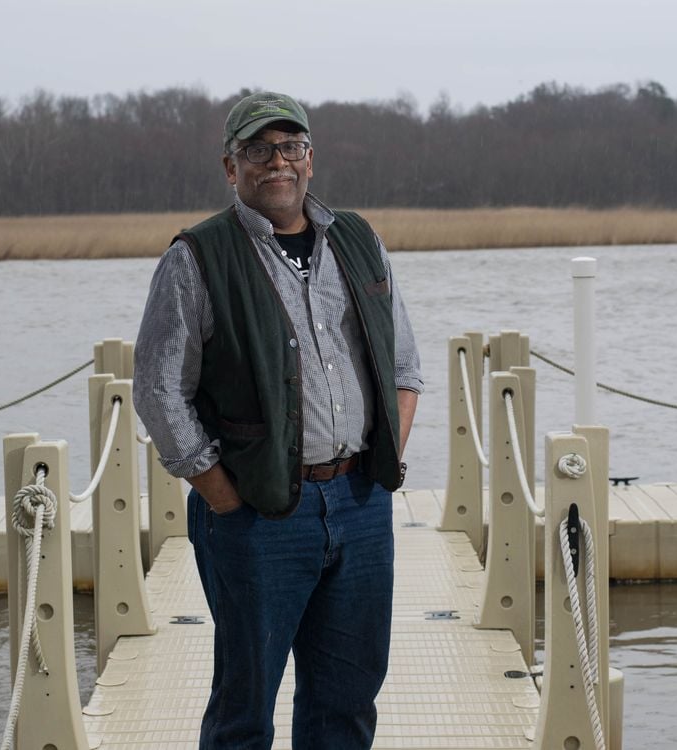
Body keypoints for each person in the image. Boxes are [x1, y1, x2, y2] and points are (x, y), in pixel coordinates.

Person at [133, 91, 423, 750]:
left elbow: (405, 367)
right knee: (244, 710)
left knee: (346, 701)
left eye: (289, 146)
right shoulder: (197, 256)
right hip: (257, 518)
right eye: (257, 150)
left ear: (310, 159)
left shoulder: (358, 239)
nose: (277, 162)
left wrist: (380, 467)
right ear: (230, 168)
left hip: (360, 504)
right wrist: (223, 497)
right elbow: (157, 390)